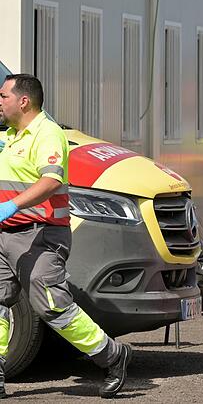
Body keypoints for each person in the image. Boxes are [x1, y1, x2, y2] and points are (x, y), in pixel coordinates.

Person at [0, 74, 131, 398]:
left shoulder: (47, 134)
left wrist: (11, 206)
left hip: (40, 236)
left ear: (23, 101)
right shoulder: (13, 136)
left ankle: (112, 356)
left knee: (52, 306)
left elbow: (50, 181)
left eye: (3, 96)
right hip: (6, 236)